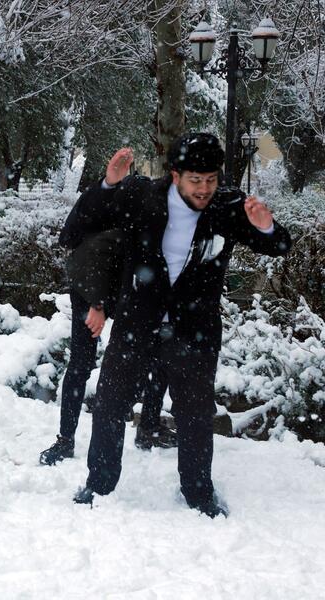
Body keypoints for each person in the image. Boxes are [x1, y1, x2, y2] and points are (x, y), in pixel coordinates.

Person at [70, 133, 291, 517]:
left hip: (193, 330)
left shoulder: (227, 206)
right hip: (138, 324)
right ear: (175, 176)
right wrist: (108, 184)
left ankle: (199, 494)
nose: (204, 189)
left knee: (194, 416)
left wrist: (267, 228)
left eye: (211, 179)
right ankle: (98, 485)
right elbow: (81, 225)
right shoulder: (142, 197)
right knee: (109, 405)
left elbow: (279, 245)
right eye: (195, 180)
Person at [39, 222, 174, 467]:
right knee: (82, 361)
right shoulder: (118, 228)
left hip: (127, 289)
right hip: (90, 287)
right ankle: (65, 440)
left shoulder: (157, 228)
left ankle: (148, 428)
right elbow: (83, 250)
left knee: (157, 352)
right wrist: (98, 304)